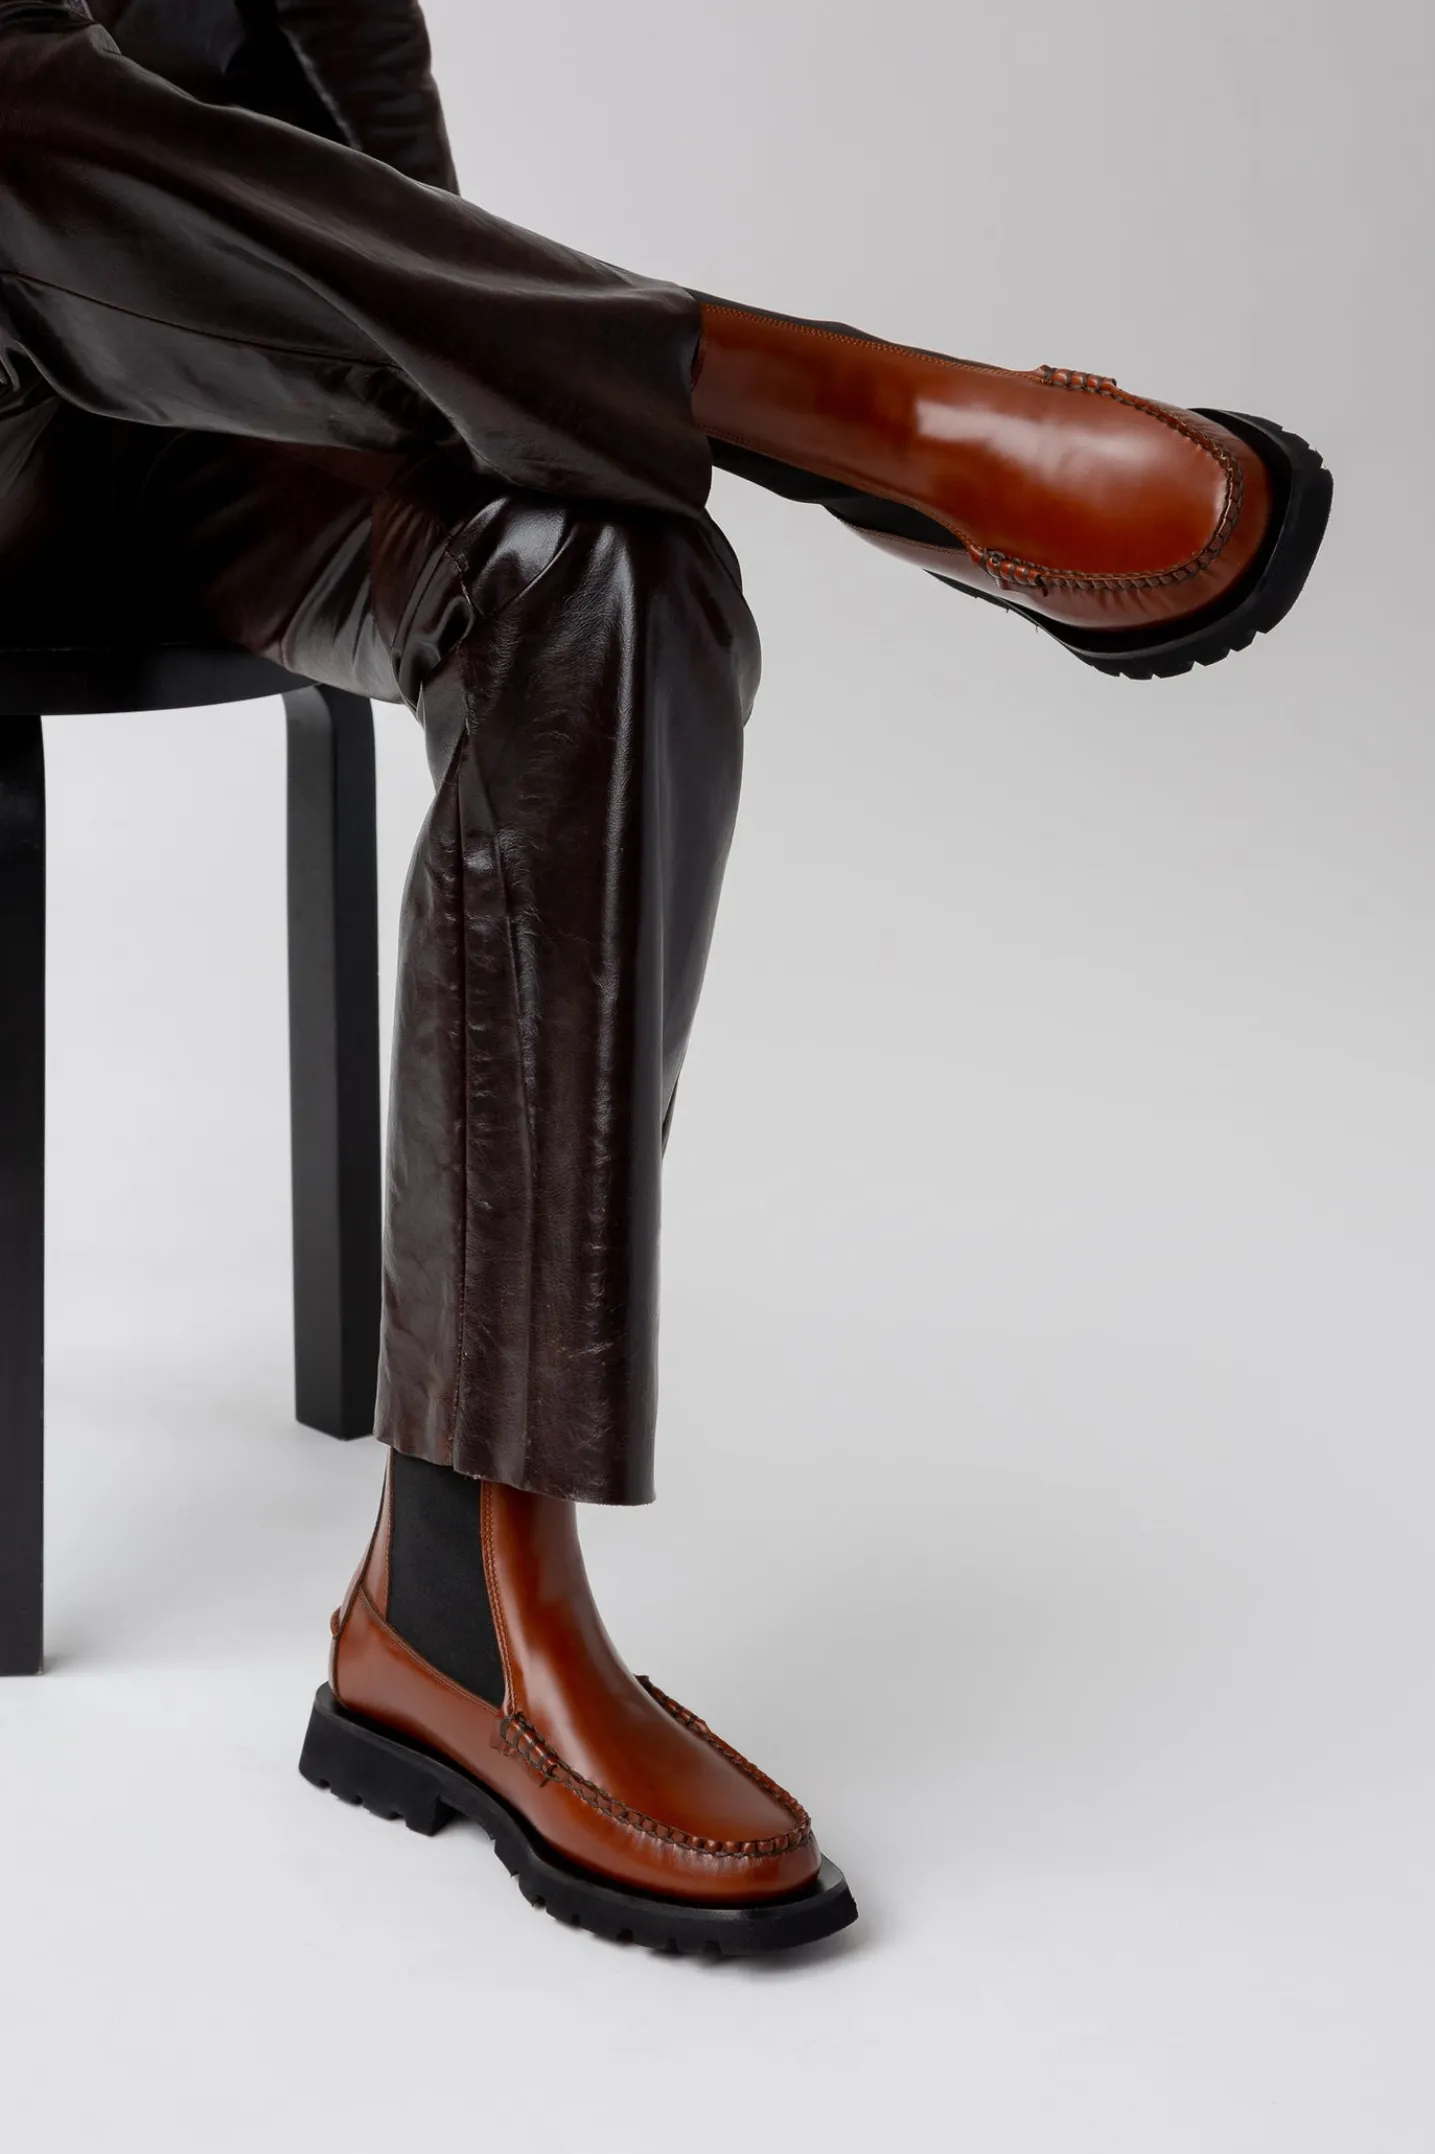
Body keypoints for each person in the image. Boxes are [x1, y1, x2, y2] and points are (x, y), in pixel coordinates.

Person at [0, 0, 1331, 1955]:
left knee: (590, 557)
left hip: (188, 416)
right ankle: (842, 412)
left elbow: (394, 216)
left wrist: (525, 383)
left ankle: (460, 1601)